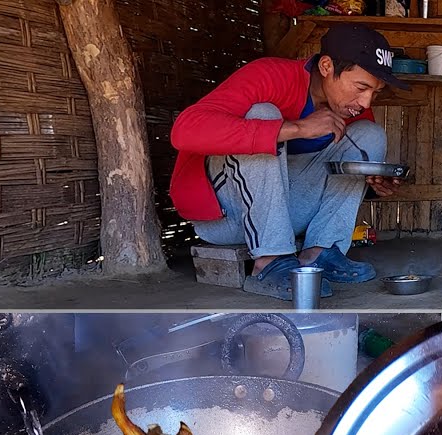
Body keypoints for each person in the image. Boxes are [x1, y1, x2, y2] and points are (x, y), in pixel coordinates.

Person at [169, 25, 409, 299]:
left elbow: (340, 183)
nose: (366, 102)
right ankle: (268, 262)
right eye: (361, 87)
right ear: (327, 66)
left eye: (375, 92)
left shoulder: (351, 111)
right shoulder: (271, 75)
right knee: (264, 113)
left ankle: (319, 251)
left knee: (369, 135)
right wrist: (296, 129)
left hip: (288, 217)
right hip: (228, 218)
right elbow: (184, 130)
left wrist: (373, 183)